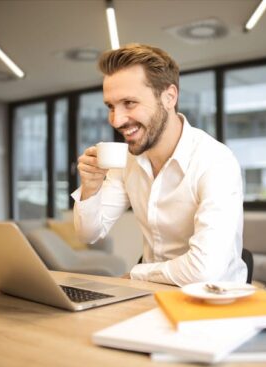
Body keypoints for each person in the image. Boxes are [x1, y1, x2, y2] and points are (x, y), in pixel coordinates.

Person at [72, 43, 246, 286]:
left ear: (169, 97)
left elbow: (204, 270)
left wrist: (137, 273)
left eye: (129, 103)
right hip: (151, 296)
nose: (116, 120)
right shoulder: (128, 161)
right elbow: (88, 234)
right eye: (111, 106)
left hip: (213, 301)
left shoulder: (216, 161)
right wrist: (90, 187)